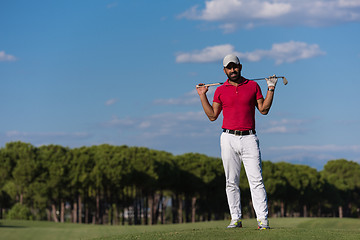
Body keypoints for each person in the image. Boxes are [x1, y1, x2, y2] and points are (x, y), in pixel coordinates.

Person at [196, 54, 277, 230]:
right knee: (231, 181)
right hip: (228, 138)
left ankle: (262, 220)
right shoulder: (220, 90)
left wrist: (271, 88)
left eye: (236, 66)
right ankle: (236, 219)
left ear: (241, 67)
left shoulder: (253, 86)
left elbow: (263, 110)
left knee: (256, 180)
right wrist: (202, 95)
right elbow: (212, 116)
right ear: (225, 70)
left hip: (249, 138)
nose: (233, 70)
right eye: (229, 67)